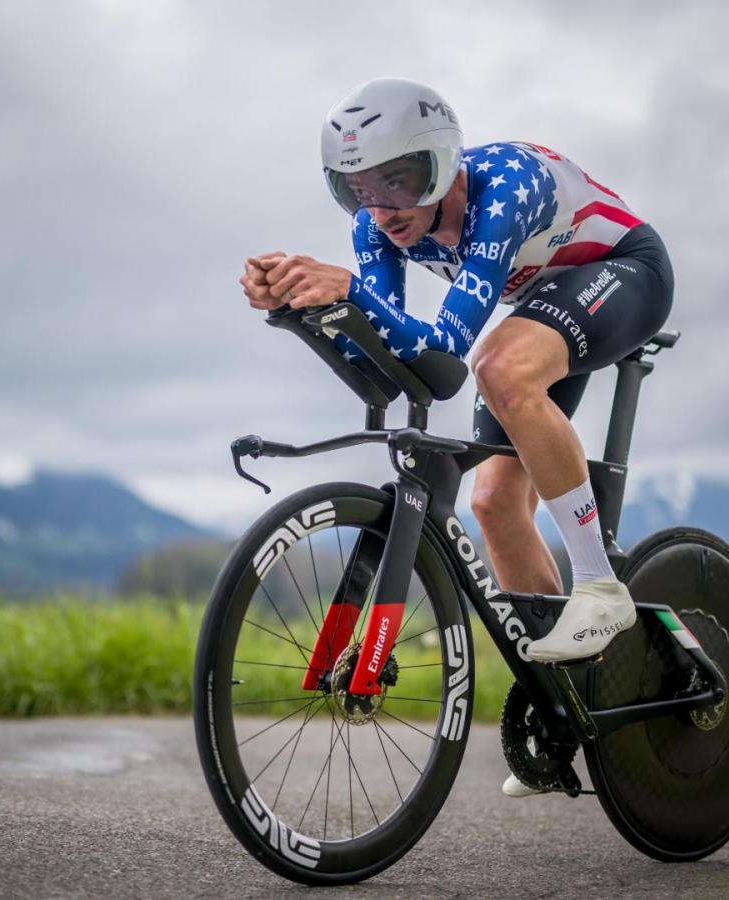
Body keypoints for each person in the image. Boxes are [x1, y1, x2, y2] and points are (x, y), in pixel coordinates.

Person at [239, 78, 674, 796]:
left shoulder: (502, 189)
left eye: (399, 183)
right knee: (496, 504)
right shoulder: (377, 228)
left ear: (441, 166)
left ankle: (600, 584)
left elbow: (443, 354)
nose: (381, 210)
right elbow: (397, 362)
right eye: (356, 192)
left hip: (625, 270)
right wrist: (300, 304)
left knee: (499, 366)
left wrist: (349, 292)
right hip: (547, 301)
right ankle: (565, 709)